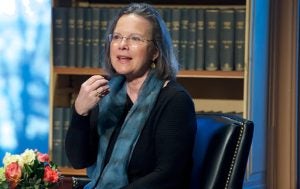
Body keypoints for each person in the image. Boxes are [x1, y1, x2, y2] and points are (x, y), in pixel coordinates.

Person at [65, 3, 197, 189]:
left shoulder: (175, 100)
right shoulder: (104, 93)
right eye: (117, 37)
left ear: (155, 52)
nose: (123, 45)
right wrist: (80, 113)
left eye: (135, 38)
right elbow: (79, 160)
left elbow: (169, 176)